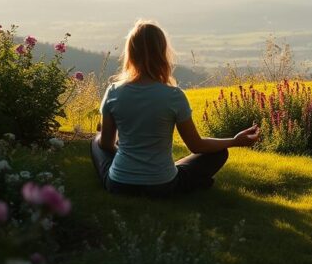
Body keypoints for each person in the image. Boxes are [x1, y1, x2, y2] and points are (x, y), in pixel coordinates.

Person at [90, 19, 261, 197]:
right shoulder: (173, 96)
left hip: (119, 184)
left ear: (131, 53)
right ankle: (195, 181)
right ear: (162, 52)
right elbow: (196, 145)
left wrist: (124, 153)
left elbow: (106, 144)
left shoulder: (114, 92)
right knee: (218, 154)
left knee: (96, 141)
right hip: (163, 185)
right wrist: (234, 141)